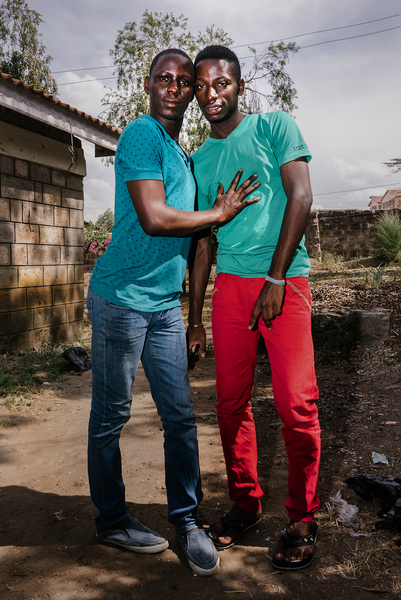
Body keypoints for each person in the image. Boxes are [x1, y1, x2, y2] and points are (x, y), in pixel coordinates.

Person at [86, 48, 261, 577]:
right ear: (148, 84)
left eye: (184, 81)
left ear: (191, 93)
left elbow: (196, 241)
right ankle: (113, 519)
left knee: (180, 418)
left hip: (163, 306)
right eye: (165, 78)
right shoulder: (141, 134)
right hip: (120, 299)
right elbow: (157, 218)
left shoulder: (181, 153)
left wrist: (193, 317)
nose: (175, 87)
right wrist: (220, 211)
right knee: (112, 415)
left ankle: (186, 521)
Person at [188, 45, 321, 571]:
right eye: (201, 86)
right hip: (232, 290)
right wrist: (195, 317)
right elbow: (202, 243)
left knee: (296, 404)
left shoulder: (274, 126)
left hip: (285, 283)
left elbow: (302, 196)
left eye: (220, 83)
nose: (210, 94)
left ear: (238, 85)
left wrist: (276, 276)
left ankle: (303, 516)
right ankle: (245, 501)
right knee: (229, 403)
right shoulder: (198, 159)